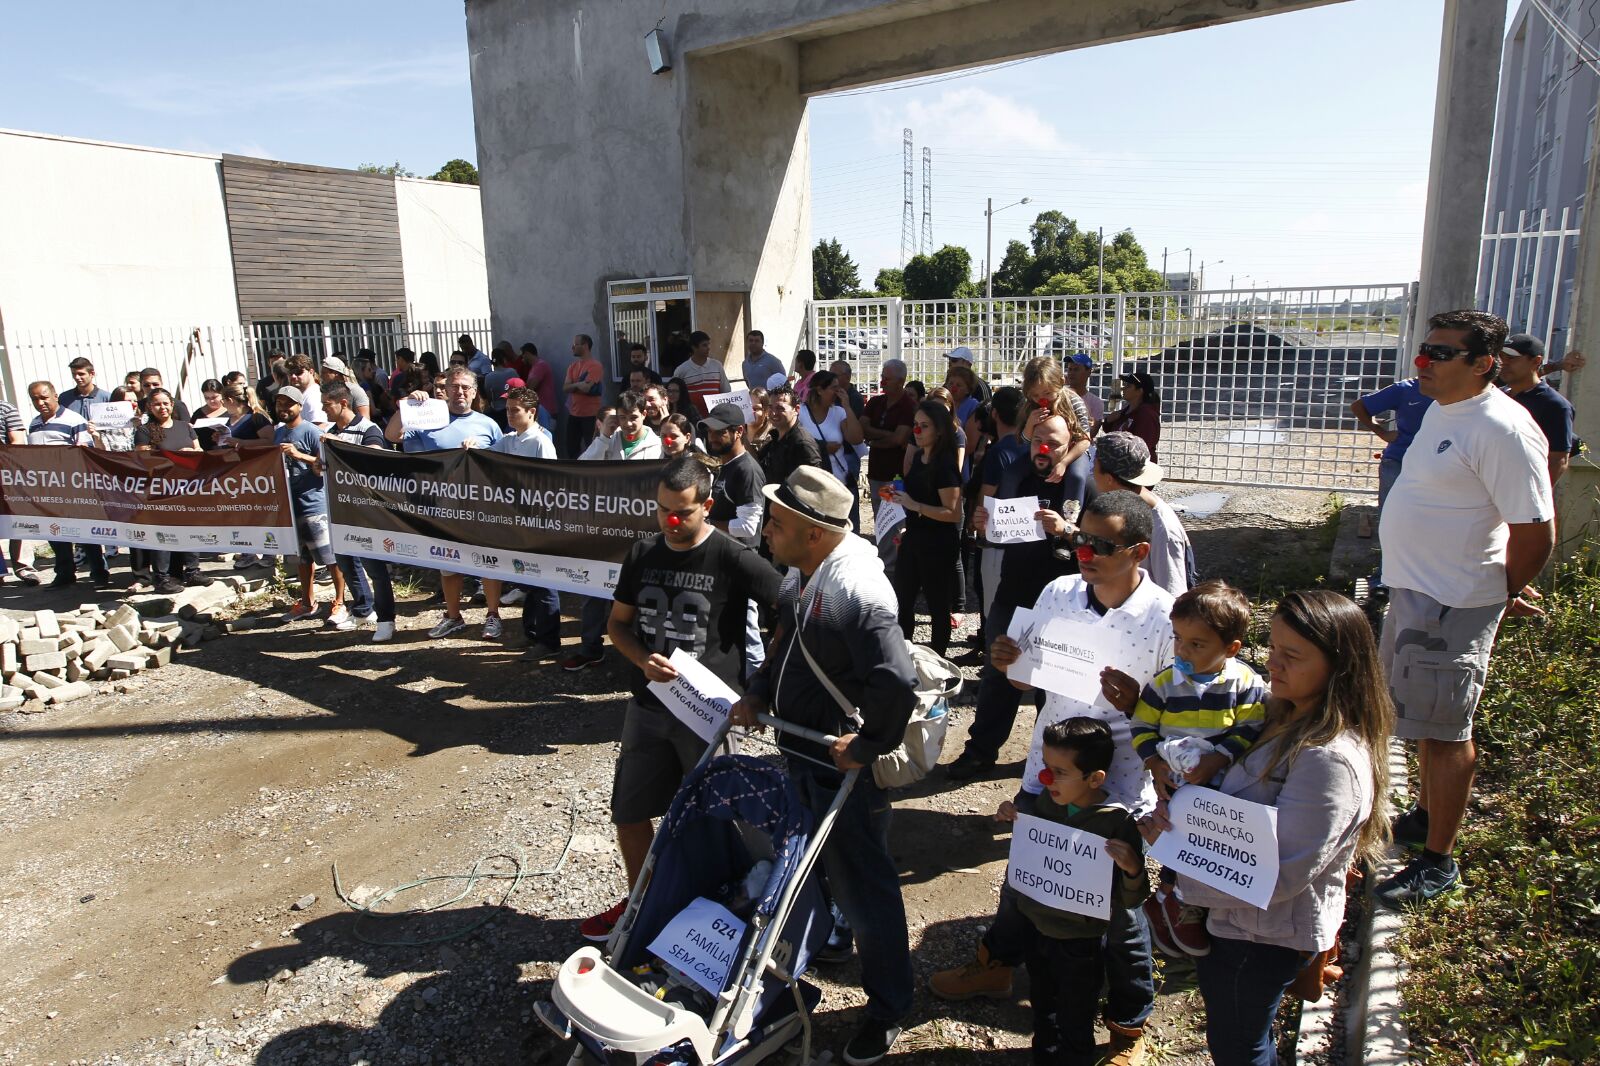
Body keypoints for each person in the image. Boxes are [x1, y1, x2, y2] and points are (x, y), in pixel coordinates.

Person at [932, 493, 1172, 1066]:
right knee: (1027, 879)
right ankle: (997, 964)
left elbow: (1177, 718)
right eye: (1079, 539)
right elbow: (1023, 682)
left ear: (1139, 551)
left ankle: (1126, 1025)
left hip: (1116, 789)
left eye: (1101, 545)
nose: (1084, 552)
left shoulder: (1165, 617)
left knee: (1115, 912)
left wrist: (1140, 705)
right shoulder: (1058, 593)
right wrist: (1007, 662)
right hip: (1047, 773)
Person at [1146, 590, 1391, 1066]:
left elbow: (1277, 875)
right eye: (1273, 648)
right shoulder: (1282, 714)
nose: (1272, 664)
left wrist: (1179, 868)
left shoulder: (1329, 760)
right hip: (1240, 924)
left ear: (1339, 666)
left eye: (1291, 656)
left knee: (1240, 1049)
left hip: (1260, 938)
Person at [732, 467, 919, 1066]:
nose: (765, 531)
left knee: (866, 887)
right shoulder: (807, 567)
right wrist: (761, 692)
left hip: (839, 768)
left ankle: (889, 1006)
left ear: (814, 532)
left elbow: (896, 683)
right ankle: (818, 952)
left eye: (778, 523)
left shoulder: (858, 593)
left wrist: (866, 746)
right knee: (814, 870)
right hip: (801, 749)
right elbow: (787, 638)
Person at [1373, 309, 1554, 908]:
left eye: (1441, 354)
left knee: (1448, 734)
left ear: (1484, 364)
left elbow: (1535, 533)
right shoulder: (1446, 411)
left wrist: (1498, 593)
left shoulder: (1502, 428)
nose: (1423, 362)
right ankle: (1425, 815)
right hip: (1418, 595)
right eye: (1424, 349)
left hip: (1452, 604)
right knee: (1424, 724)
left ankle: (1439, 860)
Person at [579, 455, 784, 942]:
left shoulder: (731, 555)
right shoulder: (643, 553)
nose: (671, 521)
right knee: (629, 813)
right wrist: (640, 659)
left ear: (707, 507)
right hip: (648, 709)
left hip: (708, 716)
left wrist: (760, 688)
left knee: (715, 820)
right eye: (663, 510)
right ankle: (640, 905)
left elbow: (792, 607)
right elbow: (617, 624)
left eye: (683, 512)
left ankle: (721, 916)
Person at [943, 412, 1097, 782]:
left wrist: (1068, 530)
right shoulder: (1018, 477)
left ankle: (1053, 764)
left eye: (1054, 443)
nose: (1044, 449)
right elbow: (996, 537)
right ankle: (980, 753)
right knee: (999, 675)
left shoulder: (1085, 487)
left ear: (1068, 446)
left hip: (1064, 606)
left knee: (1054, 686)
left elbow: (1101, 548)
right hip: (1014, 596)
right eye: (1038, 440)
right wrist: (984, 526)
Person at [1130, 580, 1267, 959]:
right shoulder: (1164, 684)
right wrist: (1154, 763)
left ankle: (1194, 901)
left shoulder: (1245, 684)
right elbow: (1141, 727)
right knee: (1178, 837)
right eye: (1178, 639)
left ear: (1231, 648)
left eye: (1197, 644)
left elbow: (1250, 727)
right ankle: (1174, 897)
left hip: (1226, 786)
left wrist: (1219, 757)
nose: (1182, 651)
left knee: (1211, 843)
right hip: (1175, 781)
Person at [1003, 718, 1150, 1066]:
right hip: (1036, 930)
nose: (1046, 779)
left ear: (1095, 778)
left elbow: (1133, 898)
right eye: (1045, 767)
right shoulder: (1045, 805)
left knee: (1075, 1014)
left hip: (1081, 943)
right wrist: (1014, 817)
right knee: (1043, 1006)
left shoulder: (1116, 823)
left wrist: (1131, 868)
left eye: (1060, 771)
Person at [385, 367, 502, 638]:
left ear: (474, 392)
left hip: (480, 508)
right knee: (448, 565)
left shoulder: (489, 425)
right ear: (445, 390)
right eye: (454, 387)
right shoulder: (426, 418)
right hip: (441, 506)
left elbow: (501, 465)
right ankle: (453, 616)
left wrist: (480, 454)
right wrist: (407, 407)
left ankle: (493, 615)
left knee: (487, 562)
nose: (459, 392)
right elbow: (392, 436)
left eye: (465, 387)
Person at [565, 392, 662, 671]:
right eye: (622, 418)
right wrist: (605, 438)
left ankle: (642, 653)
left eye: (633, 417)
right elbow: (582, 468)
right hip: (606, 530)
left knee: (640, 592)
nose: (628, 424)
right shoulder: (610, 440)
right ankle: (590, 648)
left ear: (644, 414)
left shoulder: (656, 445)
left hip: (641, 532)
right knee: (594, 590)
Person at [318, 383, 392, 638]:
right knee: (346, 562)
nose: (323, 409)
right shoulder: (330, 431)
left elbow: (374, 457)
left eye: (327, 404)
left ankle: (386, 621)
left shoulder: (368, 429)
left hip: (367, 513)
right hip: (341, 511)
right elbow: (324, 467)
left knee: (375, 568)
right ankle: (362, 609)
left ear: (343, 403)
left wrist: (337, 445)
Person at [890, 400, 963, 656]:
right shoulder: (920, 458)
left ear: (939, 430)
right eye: (915, 426)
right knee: (902, 599)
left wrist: (915, 505)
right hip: (914, 538)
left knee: (937, 606)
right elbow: (914, 497)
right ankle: (903, 655)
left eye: (924, 426)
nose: (917, 432)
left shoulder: (945, 465)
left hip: (938, 545)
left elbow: (953, 513)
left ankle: (938, 661)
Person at [272, 386, 350, 625]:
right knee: (301, 559)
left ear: (299, 406)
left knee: (330, 557)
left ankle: (340, 602)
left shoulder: (312, 432)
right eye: (279, 404)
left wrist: (299, 456)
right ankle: (307, 603)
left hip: (314, 504)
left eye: (289, 404)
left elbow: (327, 464)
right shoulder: (277, 433)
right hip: (289, 505)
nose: (284, 408)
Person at [26, 381, 111, 589]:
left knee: (85, 532)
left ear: (55, 396)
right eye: (35, 399)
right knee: (54, 533)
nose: (41, 402)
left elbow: (84, 452)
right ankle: (65, 573)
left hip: (73, 487)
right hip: (47, 490)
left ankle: (99, 572)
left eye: (44, 397)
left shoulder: (74, 420)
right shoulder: (34, 424)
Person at [704, 402, 767, 676]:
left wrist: (705, 524)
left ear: (739, 431)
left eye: (720, 432)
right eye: (709, 432)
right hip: (724, 562)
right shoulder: (727, 465)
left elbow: (748, 527)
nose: (712, 438)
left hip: (741, 562)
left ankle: (758, 691)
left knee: (748, 630)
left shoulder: (747, 471)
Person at [1093, 432, 1193, 596]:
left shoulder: (1163, 530)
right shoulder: (1119, 507)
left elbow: (1173, 599)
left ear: (1109, 479)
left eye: (1094, 466)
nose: (1092, 472)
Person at [1499, 333, 1577, 484]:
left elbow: (1558, 460)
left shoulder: (1554, 405)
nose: (1503, 363)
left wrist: (1534, 495)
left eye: (1511, 358)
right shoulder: (1495, 396)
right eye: (1501, 357)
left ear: (1536, 361)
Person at [1352, 374, 1434, 510]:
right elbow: (1358, 407)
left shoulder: (1458, 391)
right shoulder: (1405, 388)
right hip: (1398, 460)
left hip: (1437, 464)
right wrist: (1383, 433)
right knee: (1391, 511)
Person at [799, 369, 866, 527]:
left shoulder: (839, 412)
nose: (838, 391)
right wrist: (822, 448)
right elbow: (797, 444)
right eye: (834, 388)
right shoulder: (801, 413)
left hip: (839, 482)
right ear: (820, 390)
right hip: (813, 485)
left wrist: (847, 407)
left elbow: (856, 438)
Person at [862, 359, 917, 505]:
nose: (882, 382)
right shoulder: (875, 402)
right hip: (875, 472)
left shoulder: (908, 406)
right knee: (879, 516)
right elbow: (863, 428)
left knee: (892, 518)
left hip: (895, 475)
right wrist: (887, 435)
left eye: (887, 379)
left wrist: (874, 441)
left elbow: (899, 439)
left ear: (901, 381)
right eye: (882, 377)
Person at [0, 392, 41, 585]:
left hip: (5, 472)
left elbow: (17, 441)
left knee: (17, 519)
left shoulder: (6, 409)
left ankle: (24, 567)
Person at [756, 385, 824, 488]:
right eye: (770, 407)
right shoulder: (775, 438)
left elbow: (812, 486)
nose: (773, 413)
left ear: (796, 409)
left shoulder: (802, 443)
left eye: (780, 408)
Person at [1102, 370, 1161, 461]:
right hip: (1122, 463)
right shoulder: (1128, 410)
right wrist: (1107, 421)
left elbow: (1142, 446)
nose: (1123, 388)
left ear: (1140, 391)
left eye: (1128, 386)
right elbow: (1111, 431)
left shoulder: (1147, 414)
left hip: (1137, 466)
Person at [563, 334, 604, 457]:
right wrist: (579, 384)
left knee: (591, 448)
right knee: (571, 448)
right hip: (574, 414)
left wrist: (574, 386)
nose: (572, 347)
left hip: (590, 415)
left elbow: (586, 388)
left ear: (585, 346)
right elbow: (565, 388)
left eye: (575, 344)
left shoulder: (595, 365)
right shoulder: (572, 366)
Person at [674, 330, 730, 416]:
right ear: (694, 347)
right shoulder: (681, 370)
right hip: (692, 418)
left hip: (716, 417)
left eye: (708, 344)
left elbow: (726, 390)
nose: (708, 348)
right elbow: (675, 395)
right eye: (704, 345)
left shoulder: (717, 365)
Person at [1066, 353, 1104, 434]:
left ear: (1089, 372)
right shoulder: (1058, 396)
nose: (1071, 373)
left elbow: (1092, 433)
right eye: (1069, 369)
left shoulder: (1096, 403)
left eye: (1076, 369)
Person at [484, 345, 520, 429]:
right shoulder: (512, 372)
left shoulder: (489, 376)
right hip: (513, 408)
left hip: (496, 410)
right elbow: (520, 389)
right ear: (504, 359)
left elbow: (489, 396)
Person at [281, 355, 323, 427]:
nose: (293, 376)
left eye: (298, 372)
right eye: (290, 373)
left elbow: (320, 427)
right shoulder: (303, 395)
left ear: (311, 372)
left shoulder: (314, 396)